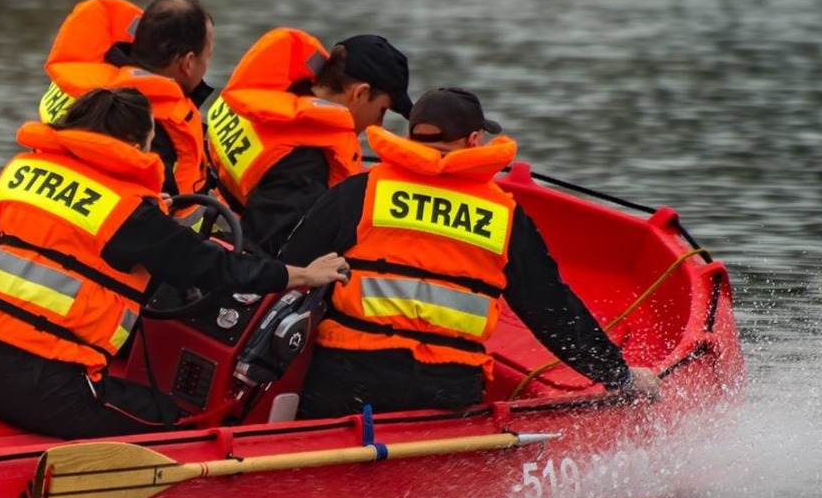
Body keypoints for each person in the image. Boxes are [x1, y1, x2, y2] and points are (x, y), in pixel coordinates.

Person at [0, 88, 350, 439]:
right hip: (38, 386)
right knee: (176, 418)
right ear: (134, 145)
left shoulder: (21, 170)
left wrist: (149, 213)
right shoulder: (130, 215)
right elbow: (216, 268)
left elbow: (67, 232)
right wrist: (301, 274)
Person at [279, 87, 663, 418]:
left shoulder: (360, 192)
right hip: (447, 387)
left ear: (412, 136)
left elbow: (289, 271)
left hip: (350, 379)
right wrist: (619, 376)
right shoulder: (503, 215)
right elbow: (552, 311)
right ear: (475, 140)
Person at [207, 30, 412, 255]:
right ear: (360, 94)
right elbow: (275, 254)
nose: (379, 123)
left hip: (210, 213)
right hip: (227, 253)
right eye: (382, 110)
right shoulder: (308, 163)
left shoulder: (269, 95)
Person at [38, 0, 215, 197]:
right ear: (188, 63)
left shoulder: (80, 83)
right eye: (207, 57)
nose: (206, 66)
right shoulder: (147, 124)